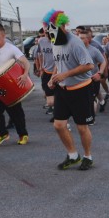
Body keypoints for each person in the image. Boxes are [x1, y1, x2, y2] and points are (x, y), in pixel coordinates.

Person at [43, 10, 95, 171]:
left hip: (81, 89)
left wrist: (65, 74)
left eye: (50, 28)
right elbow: (59, 64)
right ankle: (73, 155)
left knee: (81, 127)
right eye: (46, 28)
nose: (47, 32)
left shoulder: (75, 42)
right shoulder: (54, 41)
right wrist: (54, 78)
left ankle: (87, 156)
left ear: (63, 26)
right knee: (59, 125)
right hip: (63, 90)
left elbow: (89, 66)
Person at [0, 23, 31, 145]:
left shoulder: (11, 48)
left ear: (3, 35)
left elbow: (26, 62)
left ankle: (23, 135)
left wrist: (25, 74)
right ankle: (3, 134)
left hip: (11, 85)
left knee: (15, 112)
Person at [79, 31, 106, 121]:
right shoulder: (76, 50)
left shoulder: (94, 50)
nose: (80, 40)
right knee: (84, 100)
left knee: (91, 99)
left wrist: (99, 73)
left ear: (88, 39)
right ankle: (100, 102)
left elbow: (103, 62)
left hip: (93, 79)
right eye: (79, 38)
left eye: (82, 38)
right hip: (81, 80)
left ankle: (91, 118)